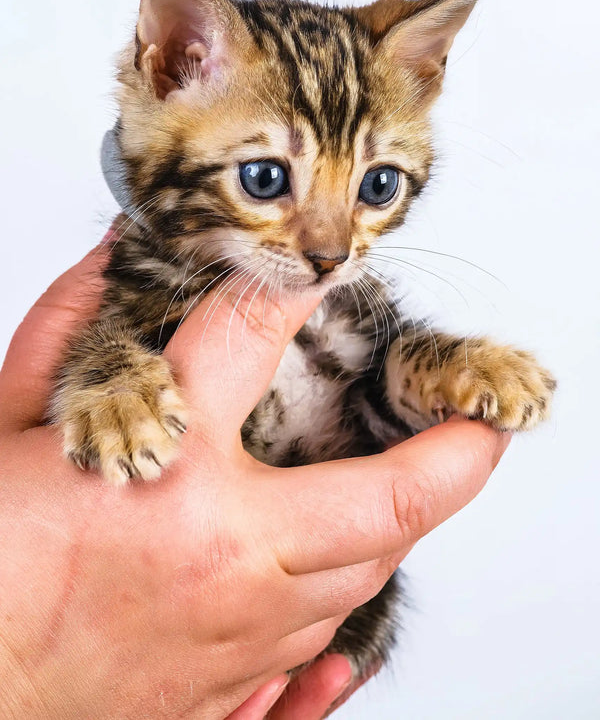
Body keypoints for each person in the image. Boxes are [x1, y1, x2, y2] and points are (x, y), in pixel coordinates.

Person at [0, 238, 509, 719]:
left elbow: (383, 383)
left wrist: (442, 373)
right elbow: (108, 344)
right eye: (263, 178)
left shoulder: (350, 301)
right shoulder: (153, 279)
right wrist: (21, 680)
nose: (332, 246)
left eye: (376, 188)